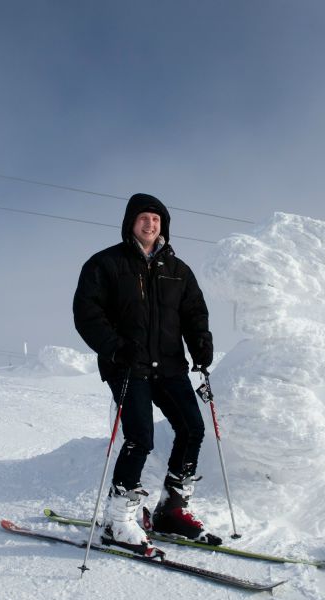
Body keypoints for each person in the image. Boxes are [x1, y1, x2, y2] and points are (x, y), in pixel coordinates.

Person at [73, 192, 220, 554]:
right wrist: (114, 347)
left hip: (169, 365)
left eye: (156, 219)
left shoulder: (178, 270)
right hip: (127, 364)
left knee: (193, 428)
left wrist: (201, 344)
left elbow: (194, 313)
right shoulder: (106, 264)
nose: (150, 224)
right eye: (143, 218)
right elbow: (87, 313)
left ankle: (172, 510)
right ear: (130, 223)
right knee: (140, 438)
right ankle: (117, 520)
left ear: (163, 225)